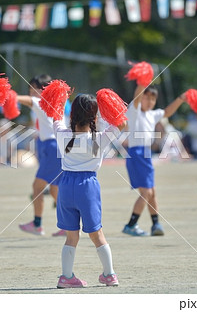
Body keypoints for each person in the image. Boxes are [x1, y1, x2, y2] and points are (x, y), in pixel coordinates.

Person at [53, 93, 126, 288]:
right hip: (88, 187)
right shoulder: (99, 139)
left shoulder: (62, 135)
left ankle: (66, 277)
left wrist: (60, 100)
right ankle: (109, 274)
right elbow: (121, 123)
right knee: (97, 233)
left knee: (71, 236)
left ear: (72, 115)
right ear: (94, 118)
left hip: (66, 185)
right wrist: (106, 104)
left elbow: (55, 117)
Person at [122, 84, 188, 236]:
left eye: (153, 98)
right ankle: (131, 225)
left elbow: (167, 112)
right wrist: (141, 82)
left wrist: (180, 99)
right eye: (147, 97)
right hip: (136, 153)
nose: (150, 101)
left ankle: (156, 224)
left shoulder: (152, 114)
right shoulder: (134, 111)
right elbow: (137, 96)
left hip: (145, 154)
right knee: (146, 192)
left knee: (152, 192)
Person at [17, 74, 65, 237]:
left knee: (38, 186)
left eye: (33, 89)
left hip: (52, 147)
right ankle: (67, 225)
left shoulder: (42, 101)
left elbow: (31, 101)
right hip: (51, 145)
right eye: (29, 89)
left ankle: (37, 224)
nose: (31, 92)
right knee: (54, 189)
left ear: (43, 90)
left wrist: (10, 96)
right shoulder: (52, 103)